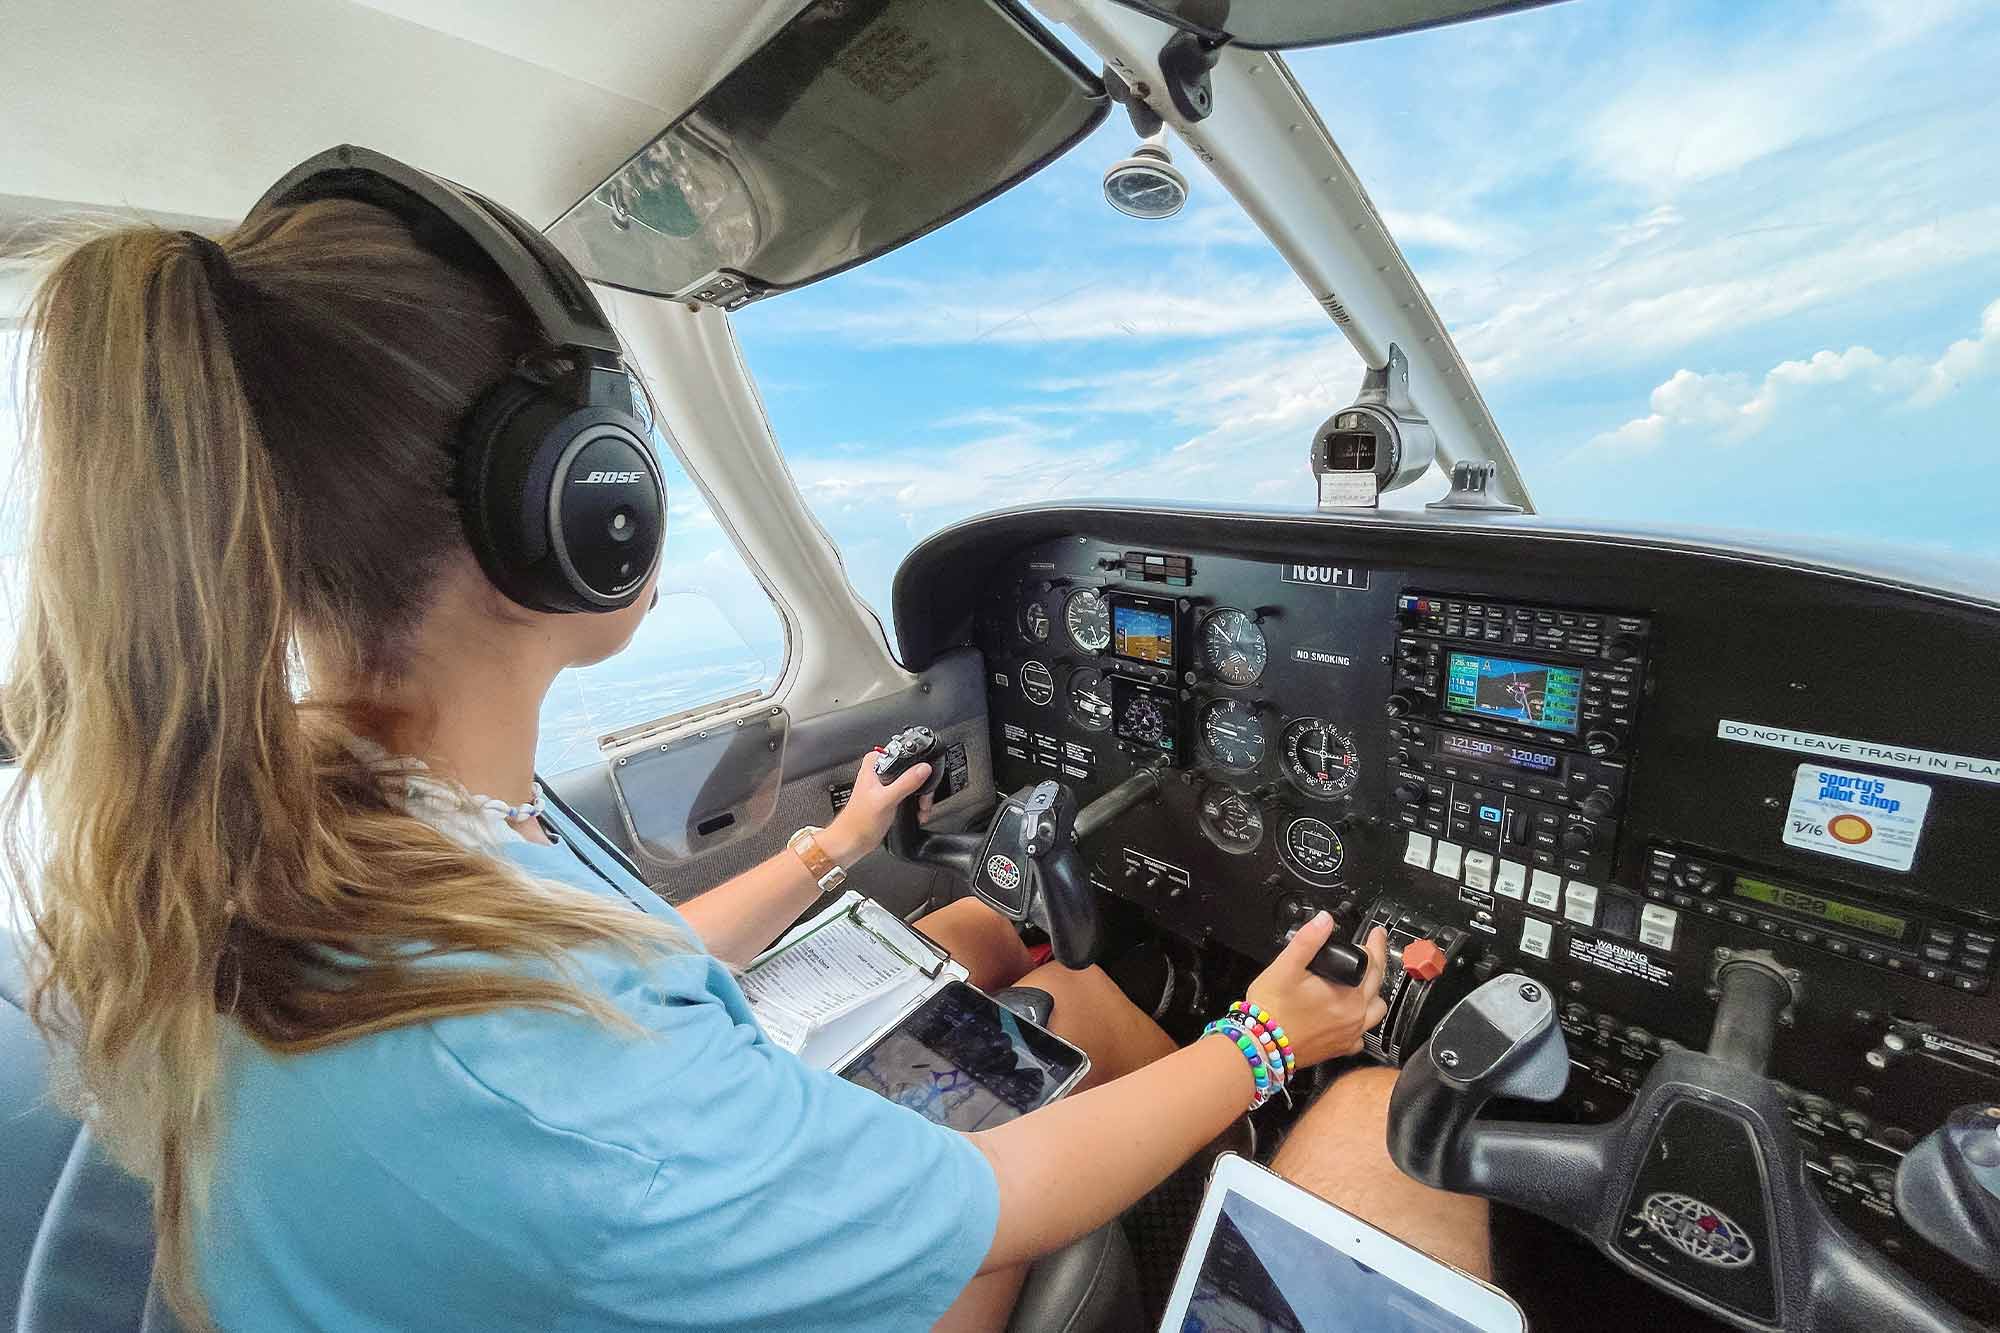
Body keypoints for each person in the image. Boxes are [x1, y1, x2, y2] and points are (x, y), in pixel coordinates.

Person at [3, 167, 1483, 1333]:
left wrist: (825, 853)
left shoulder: (311, 800)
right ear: (578, 501)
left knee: (1006, 943)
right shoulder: (515, 1062)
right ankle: (1256, 1177)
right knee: (1376, 1118)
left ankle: (1211, 1182)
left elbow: (577, 968)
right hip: (648, 1231)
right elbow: (982, 1196)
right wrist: (1276, 1035)